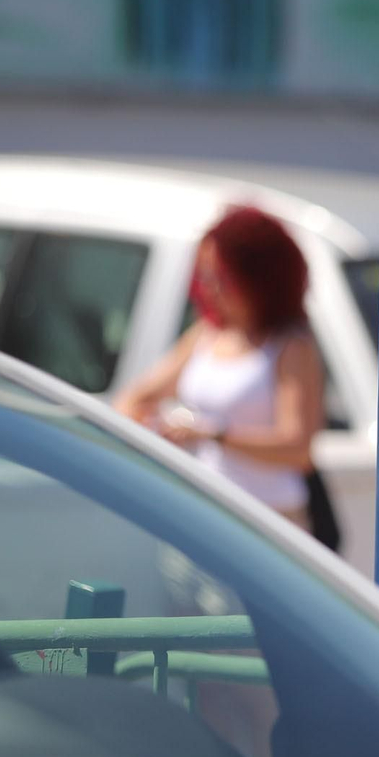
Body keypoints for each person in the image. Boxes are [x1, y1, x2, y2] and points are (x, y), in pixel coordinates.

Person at [115, 206, 324, 537]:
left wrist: (212, 433)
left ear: (259, 277)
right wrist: (156, 433)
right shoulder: (206, 334)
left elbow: (298, 449)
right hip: (202, 511)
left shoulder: (291, 346)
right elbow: (136, 397)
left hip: (269, 522)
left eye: (222, 278)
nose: (210, 288)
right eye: (204, 276)